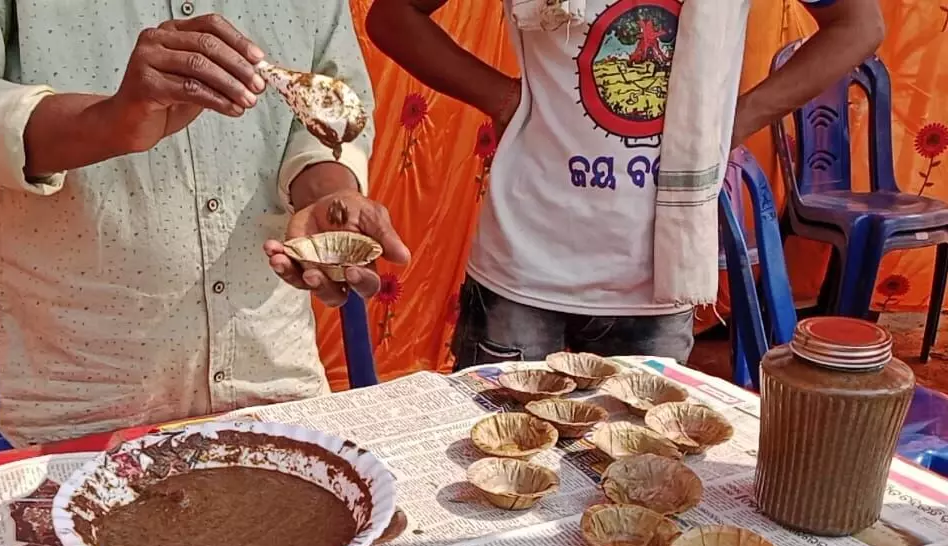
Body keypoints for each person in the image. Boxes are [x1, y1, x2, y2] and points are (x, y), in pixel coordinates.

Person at [0, 2, 407, 445]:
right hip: (85, 400)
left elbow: (331, 92)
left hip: (274, 378)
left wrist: (328, 193)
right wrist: (108, 123)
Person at [366, 0, 884, 368]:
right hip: (525, 265)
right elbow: (393, 17)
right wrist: (502, 99)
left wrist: (738, 119)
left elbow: (857, 24)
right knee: (499, 478)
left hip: (657, 273)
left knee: (637, 492)